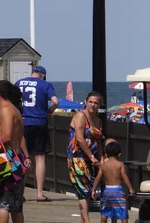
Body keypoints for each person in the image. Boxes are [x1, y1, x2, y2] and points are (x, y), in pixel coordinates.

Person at [15, 65, 59, 202]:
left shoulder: (19, 83)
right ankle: (39, 193)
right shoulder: (45, 84)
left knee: (22, 157)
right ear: (43, 75)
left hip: (22, 123)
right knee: (39, 158)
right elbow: (55, 101)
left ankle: (20, 191)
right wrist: (50, 112)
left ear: (32, 73)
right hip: (39, 122)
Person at [0, 80, 28, 223]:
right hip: (16, 159)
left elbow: (6, 136)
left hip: (6, 160)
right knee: (16, 205)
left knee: (3, 203)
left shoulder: (7, 109)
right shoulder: (15, 110)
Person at [67, 91, 104, 223]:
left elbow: (99, 141)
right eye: (91, 102)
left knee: (89, 190)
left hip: (91, 160)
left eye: (96, 103)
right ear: (86, 102)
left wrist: (101, 158)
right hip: (77, 157)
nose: (93, 105)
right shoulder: (80, 116)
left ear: (99, 105)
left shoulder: (98, 120)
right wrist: (91, 156)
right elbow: (80, 139)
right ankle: (87, 220)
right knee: (82, 190)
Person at [92, 141, 134, 223]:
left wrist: (93, 189)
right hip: (118, 191)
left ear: (106, 154)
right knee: (123, 212)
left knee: (105, 212)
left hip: (107, 191)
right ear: (119, 154)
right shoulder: (120, 164)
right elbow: (124, 176)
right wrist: (131, 188)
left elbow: (98, 177)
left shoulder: (103, 165)